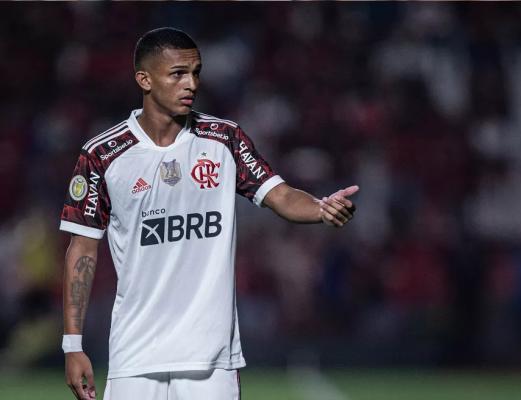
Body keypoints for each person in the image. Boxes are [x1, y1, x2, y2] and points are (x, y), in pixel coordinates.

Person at [60, 27, 358, 400]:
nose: (191, 84)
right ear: (145, 79)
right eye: (178, 74)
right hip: (134, 355)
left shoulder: (224, 140)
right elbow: (82, 249)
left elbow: (279, 195)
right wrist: (72, 344)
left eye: (196, 72)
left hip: (211, 359)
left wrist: (319, 208)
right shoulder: (102, 155)